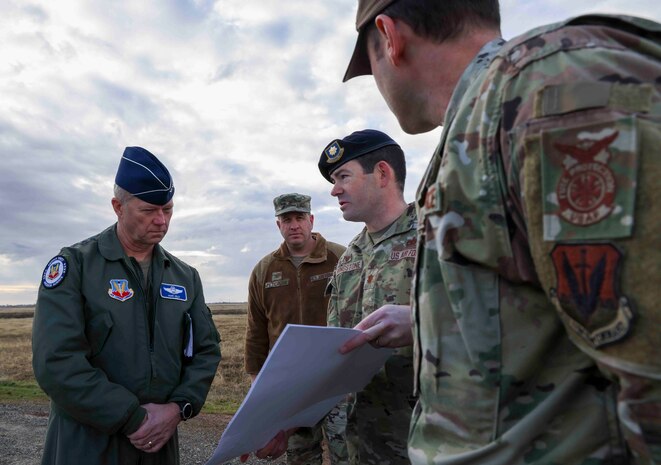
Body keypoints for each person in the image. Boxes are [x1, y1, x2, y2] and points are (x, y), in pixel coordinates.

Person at [338, 1, 661, 464]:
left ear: (389, 37)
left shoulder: (550, 96)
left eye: (369, 64)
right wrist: (428, 321)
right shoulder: (485, 122)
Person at [32, 146, 222, 465]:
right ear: (118, 207)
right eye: (149, 210)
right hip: (87, 445)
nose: (161, 221)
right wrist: (132, 418)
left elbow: (205, 350)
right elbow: (56, 362)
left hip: (160, 446)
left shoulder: (185, 276)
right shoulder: (75, 266)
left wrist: (177, 409)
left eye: (168, 209)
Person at [320, 129, 417, 464]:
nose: (334, 190)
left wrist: (420, 322)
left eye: (343, 176)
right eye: (334, 180)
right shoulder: (350, 256)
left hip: (416, 443)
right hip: (352, 444)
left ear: (382, 173)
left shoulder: (437, 236)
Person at [244, 193, 347, 465]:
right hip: (292, 385)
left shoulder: (341, 258)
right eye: (286, 219)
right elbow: (256, 328)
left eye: (299, 218)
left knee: (347, 452)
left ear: (311, 220)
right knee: (301, 456)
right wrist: (257, 381)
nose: (294, 225)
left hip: (336, 379)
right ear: (278, 225)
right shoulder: (264, 270)